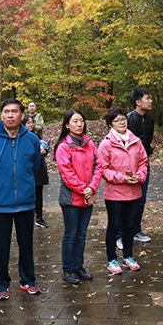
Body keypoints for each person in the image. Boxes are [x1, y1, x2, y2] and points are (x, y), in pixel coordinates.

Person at [0, 98, 42, 300]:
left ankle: (27, 280)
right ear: (1, 115)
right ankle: (1, 283)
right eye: (6, 111)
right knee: (1, 246)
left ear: (22, 115)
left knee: (26, 244)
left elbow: (33, 167)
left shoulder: (32, 139)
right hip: (0, 204)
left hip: (26, 202)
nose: (10, 115)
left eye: (14, 111)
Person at [54, 109, 102, 284]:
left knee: (82, 234)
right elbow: (67, 175)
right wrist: (86, 190)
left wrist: (92, 187)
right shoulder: (63, 147)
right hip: (72, 199)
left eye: (81, 120)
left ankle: (78, 266)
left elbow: (99, 166)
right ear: (67, 125)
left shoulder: (89, 144)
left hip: (87, 196)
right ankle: (68, 269)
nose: (79, 124)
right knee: (71, 234)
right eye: (75, 121)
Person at [98, 107, 148, 275]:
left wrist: (140, 176)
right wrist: (123, 178)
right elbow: (103, 169)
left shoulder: (136, 140)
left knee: (129, 226)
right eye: (117, 120)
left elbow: (143, 162)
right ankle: (111, 259)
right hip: (115, 193)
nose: (122, 122)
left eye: (124, 119)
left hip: (134, 191)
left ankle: (128, 256)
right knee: (114, 226)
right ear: (110, 124)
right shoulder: (106, 143)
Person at [124, 87, 155, 243]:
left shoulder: (150, 120)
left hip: (144, 164)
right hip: (129, 166)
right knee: (127, 200)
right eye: (147, 98)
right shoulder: (128, 119)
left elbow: (147, 142)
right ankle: (123, 234)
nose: (150, 101)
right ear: (138, 102)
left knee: (141, 199)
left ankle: (136, 231)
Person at [22, 114, 50, 228]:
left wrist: (44, 151)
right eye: (28, 123)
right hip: (27, 168)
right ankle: (27, 216)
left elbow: (43, 149)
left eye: (32, 122)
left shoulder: (36, 135)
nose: (31, 125)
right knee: (28, 193)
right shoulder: (21, 136)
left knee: (39, 193)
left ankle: (39, 217)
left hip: (39, 168)